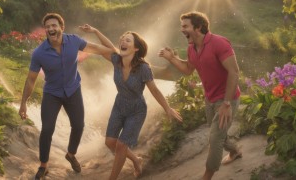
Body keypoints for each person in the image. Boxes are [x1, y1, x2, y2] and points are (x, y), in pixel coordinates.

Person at [79, 24, 183, 180]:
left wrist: (167, 108)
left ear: (136, 48)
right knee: (110, 142)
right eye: (122, 40)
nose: (123, 42)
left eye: (128, 40)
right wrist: (95, 31)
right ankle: (136, 159)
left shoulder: (143, 68)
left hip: (136, 110)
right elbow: (106, 47)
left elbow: (154, 90)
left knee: (121, 146)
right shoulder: (116, 60)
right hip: (119, 105)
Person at [18, 13, 114, 180]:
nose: (50, 29)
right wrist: (23, 103)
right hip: (52, 93)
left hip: (73, 90)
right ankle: (43, 166)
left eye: (54, 25)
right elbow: (30, 80)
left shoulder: (74, 41)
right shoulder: (39, 53)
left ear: (62, 27)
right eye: (47, 27)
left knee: (78, 126)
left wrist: (116, 53)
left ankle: (70, 154)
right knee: (47, 129)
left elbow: (98, 49)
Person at [158, 11, 241, 180]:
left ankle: (206, 176)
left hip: (227, 99)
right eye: (182, 26)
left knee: (215, 139)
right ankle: (235, 151)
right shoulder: (192, 48)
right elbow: (188, 70)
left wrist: (226, 104)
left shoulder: (219, 43)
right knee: (217, 133)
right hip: (210, 99)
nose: (182, 30)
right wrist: (172, 58)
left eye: (185, 26)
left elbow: (234, 72)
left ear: (198, 27)